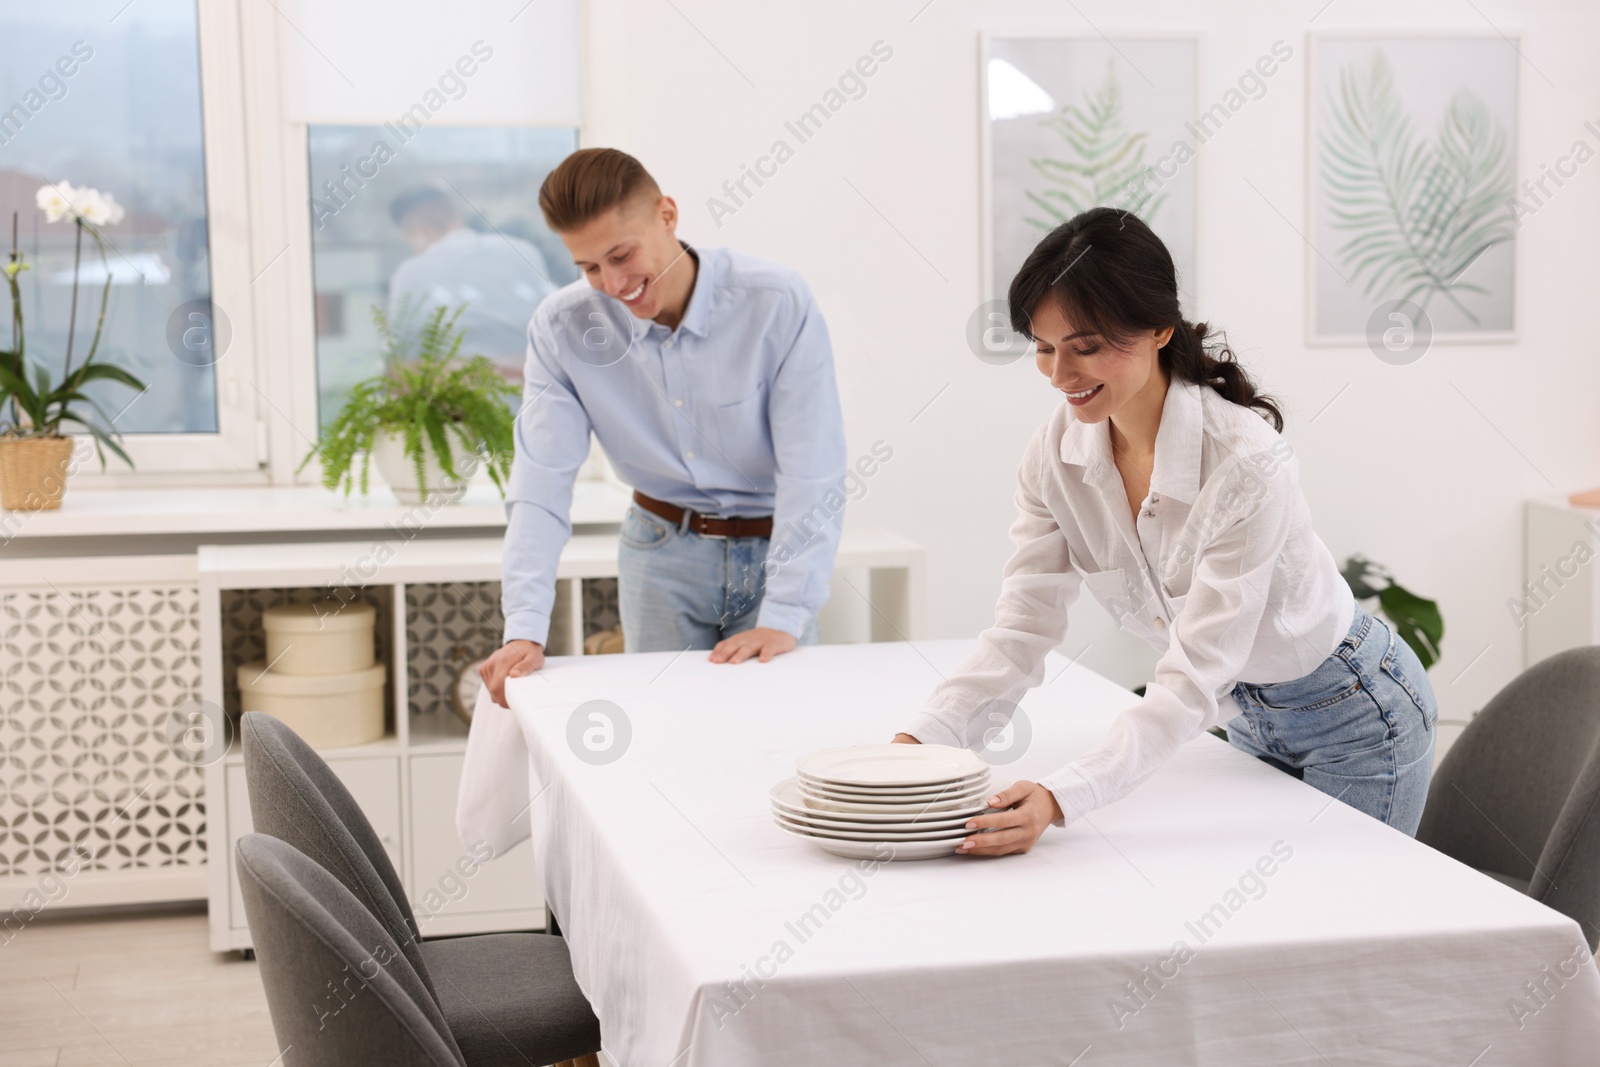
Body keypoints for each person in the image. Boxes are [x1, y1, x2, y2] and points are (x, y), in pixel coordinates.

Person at [896, 206, 1437, 856]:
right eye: (1044, 348)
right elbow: (1022, 629)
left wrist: (1061, 796)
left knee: (1347, 924)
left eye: (1087, 346)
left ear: (1159, 328)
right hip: (1249, 715)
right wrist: (922, 745)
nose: (1061, 376)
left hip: (1355, 711)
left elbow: (1194, 673)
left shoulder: (1243, 461)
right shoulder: (1054, 456)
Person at [479, 149, 846, 705]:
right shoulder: (562, 328)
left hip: (776, 553)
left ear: (667, 215)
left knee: (777, 730)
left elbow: (811, 467)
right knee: (665, 736)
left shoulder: (773, 302)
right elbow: (540, 485)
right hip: (659, 554)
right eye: (589, 266)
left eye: (621, 254)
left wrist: (785, 613)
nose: (612, 282)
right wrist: (524, 628)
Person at [386, 185, 556, 379]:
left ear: (419, 230)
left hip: (461, 394)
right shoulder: (523, 250)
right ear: (457, 216)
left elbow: (400, 352)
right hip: (532, 382)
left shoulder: (411, 272)